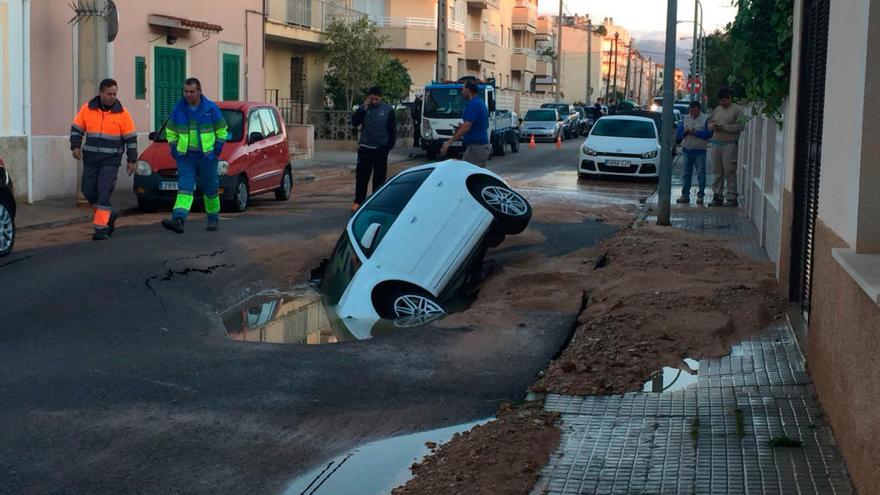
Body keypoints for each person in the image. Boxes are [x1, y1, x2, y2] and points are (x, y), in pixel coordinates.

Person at [69, 78, 138, 241]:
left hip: (111, 161)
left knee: (103, 193)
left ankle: (100, 229)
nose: (113, 97)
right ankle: (109, 214)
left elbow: (131, 139)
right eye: (109, 94)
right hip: (91, 159)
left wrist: (131, 160)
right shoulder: (87, 109)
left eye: (115, 94)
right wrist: (75, 146)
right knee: (87, 190)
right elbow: (76, 129)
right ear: (100, 93)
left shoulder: (123, 114)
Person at [161, 78, 228, 233]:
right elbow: (170, 131)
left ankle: (213, 218)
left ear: (199, 91)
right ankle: (178, 219)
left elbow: (222, 130)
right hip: (186, 157)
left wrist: (216, 149)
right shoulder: (178, 109)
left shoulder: (211, 109)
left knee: (211, 189)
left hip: (207, 157)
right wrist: (174, 149)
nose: (188, 94)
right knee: (184, 188)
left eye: (192, 91)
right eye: (186, 91)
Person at [351, 86, 396, 212]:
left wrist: (388, 146)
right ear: (369, 98)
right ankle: (358, 201)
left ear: (380, 98)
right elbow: (355, 122)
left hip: (380, 149)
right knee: (361, 177)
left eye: (377, 99)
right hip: (365, 148)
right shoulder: (364, 108)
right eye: (372, 99)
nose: (374, 101)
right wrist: (363, 108)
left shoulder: (387, 110)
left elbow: (392, 130)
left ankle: (376, 202)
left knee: (379, 177)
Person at [708, 87, 745, 207]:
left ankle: (731, 196)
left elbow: (740, 126)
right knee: (717, 171)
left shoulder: (737, 110)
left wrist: (724, 127)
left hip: (729, 144)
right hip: (716, 142)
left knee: (730, 170)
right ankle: (717, 195)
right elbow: (709, 123)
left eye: (724, 100)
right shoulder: (717, 110)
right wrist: (713, 126)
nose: (722, 103)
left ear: (730, 98)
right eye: (721, 101)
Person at [441, 80, 489, 167]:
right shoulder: (479, 102)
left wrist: (449, 142)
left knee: (464, 171)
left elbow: (467, 126)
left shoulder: (474, 104)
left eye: (463, 88)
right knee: (474, 175)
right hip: (478, 147)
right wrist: (461, 127)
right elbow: (474, 125)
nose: (462, 91)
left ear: (468, 90)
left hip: (476, 148)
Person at [676, 101, 712, 204]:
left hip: (700, 150)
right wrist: (684, 133)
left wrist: (696, 133)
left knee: (701, 174)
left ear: (699, 109)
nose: (693, 112)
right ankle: (685, 195)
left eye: (695, 110)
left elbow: (709, 134)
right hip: (687, 149)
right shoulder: (686, 118)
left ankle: (700, 195)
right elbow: (679, 134)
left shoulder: (705, 118)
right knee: (686, 174)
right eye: (691, 110)